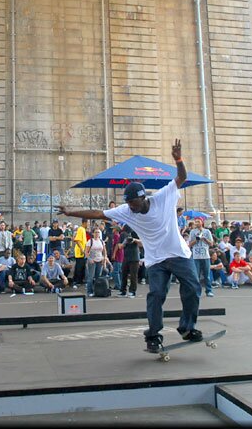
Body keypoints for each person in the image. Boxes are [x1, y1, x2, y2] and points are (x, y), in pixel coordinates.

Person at [58, 139, 204, 354]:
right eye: (129, 206)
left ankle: (187, 328)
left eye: (134, 205)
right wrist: (71, 212)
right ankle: (153, 336)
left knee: (192, 289)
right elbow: (98, 213)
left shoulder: (163, 197)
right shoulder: (126, 210)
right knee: (155, 295)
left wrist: (179, 159)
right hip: (156, 261)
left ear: (144, 199)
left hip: (179, 254)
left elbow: (181, 177)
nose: (132, 210)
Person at [188, 217, 214, 298]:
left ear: (202, 222)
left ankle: (209, 290)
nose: (197, 223)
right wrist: (197, 240)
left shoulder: (207, 231)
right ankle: (197, 291)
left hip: (205, 255)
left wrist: (204, 239)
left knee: (207, 274)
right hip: (196, 256)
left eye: (198, 221)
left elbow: (211, 244)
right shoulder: (192, 232)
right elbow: (190, 244)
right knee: (196, 275)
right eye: (195, 222)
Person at [85, 228, 108, 297]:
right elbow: (86, 252)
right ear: (93, 233)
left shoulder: (101, 241)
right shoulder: (90, 241)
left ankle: (97, 291)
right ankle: (89, 291)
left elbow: (104, 251)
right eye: (96, 232)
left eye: (98, 232)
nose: (97, 233)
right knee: (91, 277)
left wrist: (104, 258)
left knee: (98, 277)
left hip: (100, 260)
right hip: (92, 261)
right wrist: (89, 259)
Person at [71, 219, 88, 287]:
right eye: (88, 223)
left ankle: (80, 280)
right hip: (80, 251)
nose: (88, 224)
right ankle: (76, 281)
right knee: (79, 266)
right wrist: (82, 249)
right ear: (84, 223)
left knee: (82, 266)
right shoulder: (81, 229)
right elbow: (77, 240)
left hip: (82, 251)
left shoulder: (83, 229)